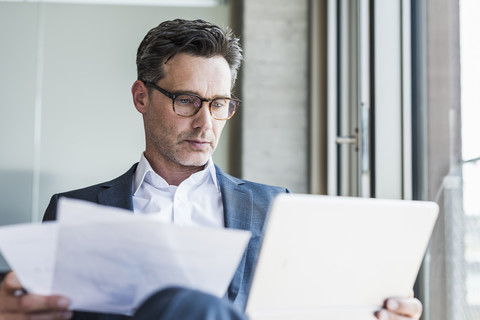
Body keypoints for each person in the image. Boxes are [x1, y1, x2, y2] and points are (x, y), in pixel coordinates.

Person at [0, 19, 423, 320]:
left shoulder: (275, 207)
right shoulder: (75, 209)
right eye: (187, 100)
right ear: (141, 97)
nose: (206, 123)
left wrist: (378, 309)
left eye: (219, 104)